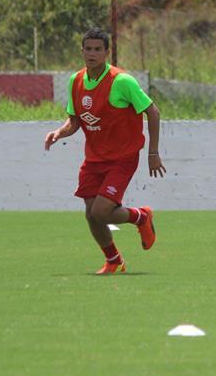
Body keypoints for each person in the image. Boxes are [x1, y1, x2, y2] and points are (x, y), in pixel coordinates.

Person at [44, 28, 165, 274]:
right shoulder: (75, 81)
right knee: (91, 214)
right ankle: (113, 260)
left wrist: (153, 153)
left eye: (98, 49)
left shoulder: (122, 81)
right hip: (94, 159)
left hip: (123, 157)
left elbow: (152, 112)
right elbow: (75, 122)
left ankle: (141, 217)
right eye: (88, 49)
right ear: (82, 51)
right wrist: (59, 132)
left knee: (101, 211)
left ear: (107, 52)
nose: (92, 54)